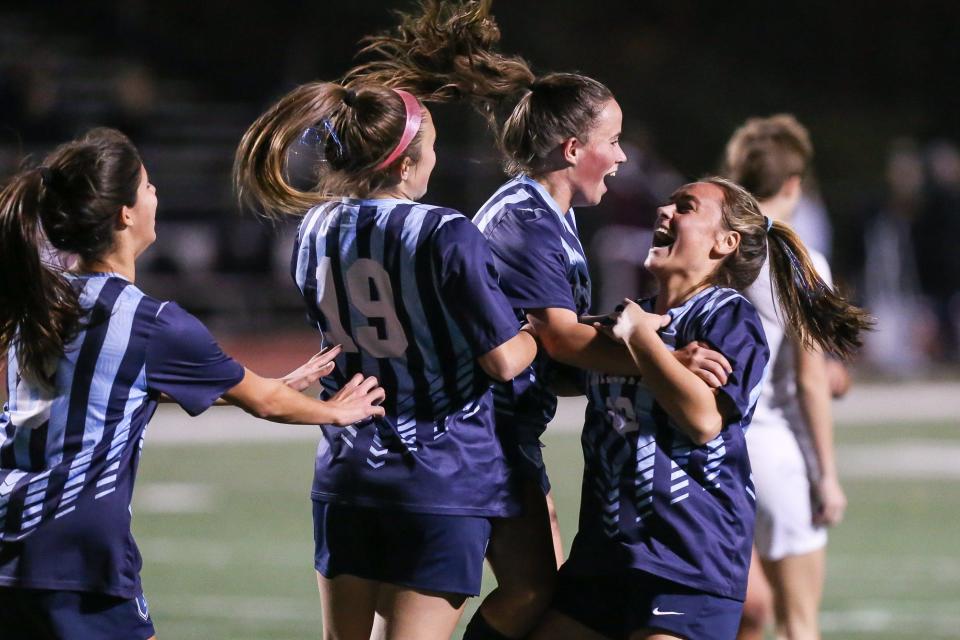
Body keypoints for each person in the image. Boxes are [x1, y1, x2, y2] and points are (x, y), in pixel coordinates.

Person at [343, 4, 734, 637]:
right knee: (524, 593)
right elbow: (558, 336)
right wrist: (661, 359)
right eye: (612, 141)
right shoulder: (523, 222)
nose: (622, 157)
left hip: (499, 433)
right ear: (575, 148)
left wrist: (629, 371)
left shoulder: (546, 215)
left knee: (535, 590)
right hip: (477, 435)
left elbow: (556, 354)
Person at [0, 128, 386, 640]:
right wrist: (337, 411)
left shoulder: (40, 304)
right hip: (75, 549)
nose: (155, 195)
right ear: (124, 215)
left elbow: (101, 387)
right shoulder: (152, 322)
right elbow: (267, 405)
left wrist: (269, 383)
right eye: (147, 187)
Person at [233, 78, 539, 639]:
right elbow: (504, 361)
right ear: (403, 166)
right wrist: (536, 330)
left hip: (348, 467)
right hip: (439, 471)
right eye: (432, 148)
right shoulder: (446, 231)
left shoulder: (313, 228)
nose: (436, 161)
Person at [531, 177, 870, 640]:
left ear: (725, 242)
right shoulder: (632, 316)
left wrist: (639, 339)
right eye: (667, 203)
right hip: (606, 557)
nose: (664, 213)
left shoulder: (728, 318)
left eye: (685, 207)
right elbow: (554, 360)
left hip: (686, 562)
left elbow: (704, 420)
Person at [724, 115, 848, 640]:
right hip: (772, 448)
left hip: (707, 447)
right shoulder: (799, 257)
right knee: (798, 624)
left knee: (732, 616)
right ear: (794, 184)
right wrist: (827, 476)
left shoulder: (714, 247)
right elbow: (810, 380)